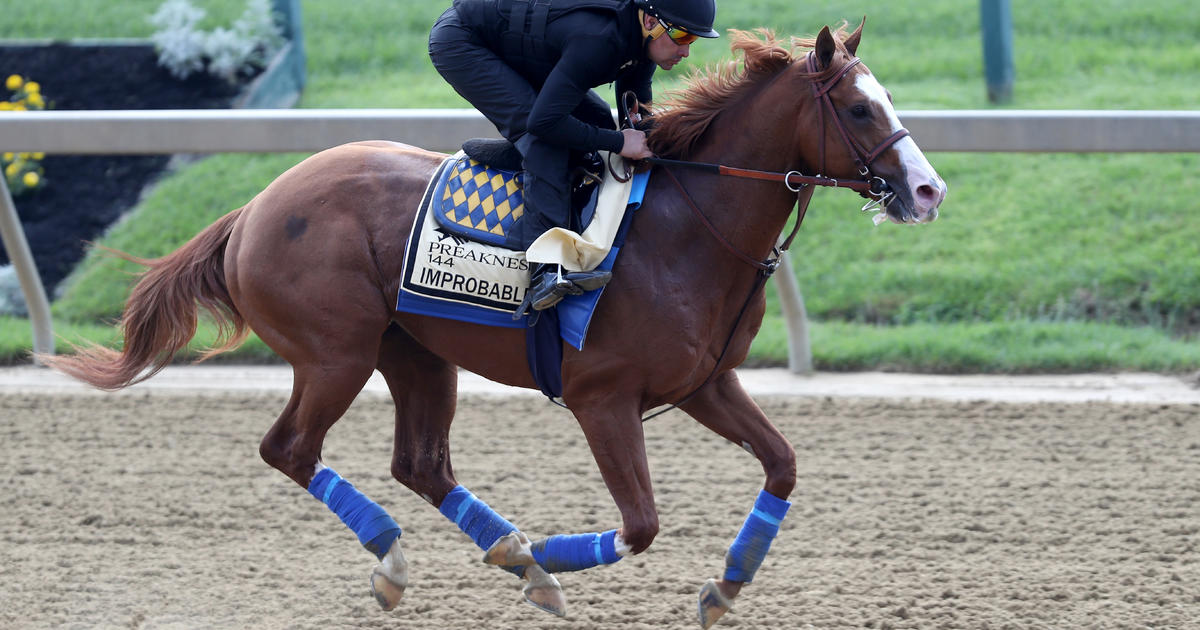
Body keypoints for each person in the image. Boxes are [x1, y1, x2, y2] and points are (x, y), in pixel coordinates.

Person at [429, 0, 719, 311]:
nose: (686, 51)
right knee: (544, 143)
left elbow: (633, 103)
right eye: (683, 37)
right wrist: (619, 142)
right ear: (650, 21)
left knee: (596, 122)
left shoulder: (639, 37)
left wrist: (649, 139)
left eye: (693, 40)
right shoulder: (599, 41)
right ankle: (544, 270)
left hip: (519, 41)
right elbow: (544, 122)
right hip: (464, 40)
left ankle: (520, 157)